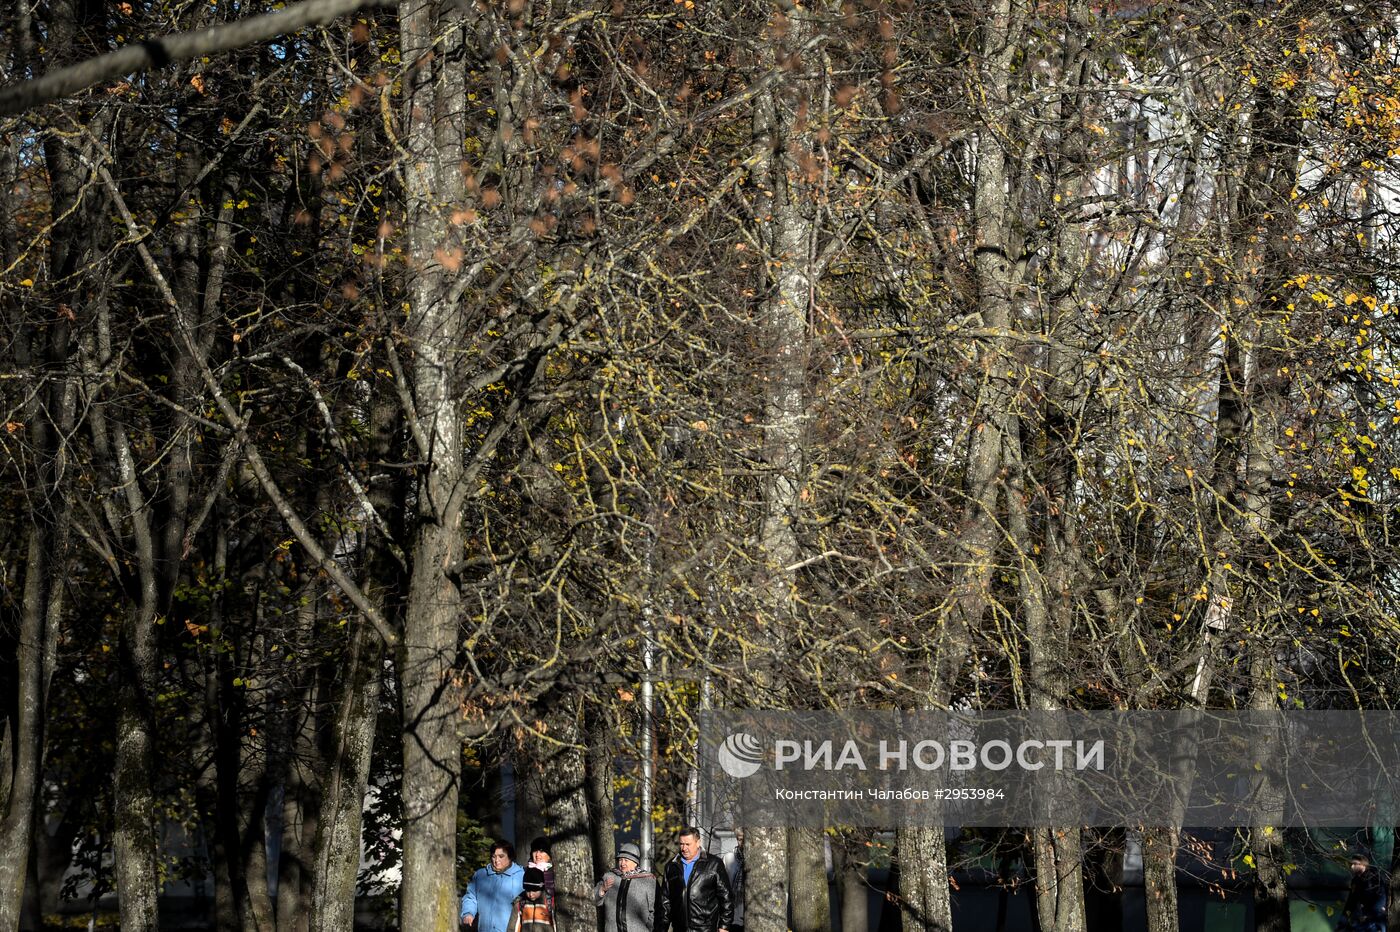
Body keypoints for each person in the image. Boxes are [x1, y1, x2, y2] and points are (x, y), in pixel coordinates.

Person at [654, 826, 733, 932]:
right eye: (681, 844)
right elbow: (665, 902)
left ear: (698, 842)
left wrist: (724, 926)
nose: (684, 848)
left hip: (706, 929)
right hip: (679, 928)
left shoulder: (714, 864)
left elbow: (726, 897)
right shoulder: (671, 867)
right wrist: (661, 929)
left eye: (688, 844)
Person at [461, 841, 525, 932]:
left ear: (510, 857)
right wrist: (468, 913)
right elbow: (471, 897)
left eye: (501, 856)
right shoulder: (480, 875)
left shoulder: (521, 876)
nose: (496, 860)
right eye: (494, 856)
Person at [595, 841, 656, 932]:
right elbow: (593, 900)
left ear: (635, 863)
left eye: (626, 860)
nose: (622, 863)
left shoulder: (648, 880)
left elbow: (656, 909)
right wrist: (602, 890)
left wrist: (649, 928)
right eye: (620, 860)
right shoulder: (609, 877)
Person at [1342, 850, 1386, 932]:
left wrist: (1369, 915)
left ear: (1363, 864)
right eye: (1351, 864)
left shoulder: (1374, 876)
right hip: (1365, 916)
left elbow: (1381, 897)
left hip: (1378, 917)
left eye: (1354, 864)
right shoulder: (1355, 880)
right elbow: (1351, 901)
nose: (1351, 867)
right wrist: (1342, 922)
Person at [507, 867, 556, 932]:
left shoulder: (550, 902)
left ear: (541, 888)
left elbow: (556, 925)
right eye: (528, 891)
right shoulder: (520, 903)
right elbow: (512, 928)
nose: (531, 894)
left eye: (534, 891)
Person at [721, 830, 744, 932]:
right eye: (740, 839)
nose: (742, 843)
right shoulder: (728, 858)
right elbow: (721, 888)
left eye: (745, 839)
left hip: (752, 915)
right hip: (732, 917)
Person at [528, 836, 558, 905]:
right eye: (535, 851)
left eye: (542, 851)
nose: (537, 855)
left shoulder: (555, 872)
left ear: (549, 854)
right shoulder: (526, 871)